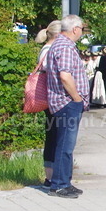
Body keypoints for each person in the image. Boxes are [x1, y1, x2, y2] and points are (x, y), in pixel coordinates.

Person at [44, 15, 89, 198]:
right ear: (75, 29)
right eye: (81, 29)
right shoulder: (65, 47)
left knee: (64, 145)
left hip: (63, 102)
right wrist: (77, 98)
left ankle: (64, 182)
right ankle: (59, 185)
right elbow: (65, 76)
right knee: (65, 146)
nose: (82, 32)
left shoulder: (60, 44)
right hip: (67, 102)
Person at [35, 21, 62, 188]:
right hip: (51, 98)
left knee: (54, 135)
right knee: (54, 136)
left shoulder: (47, 49)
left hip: (50, 98)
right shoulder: (48, 50)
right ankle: (50, 176)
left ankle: (52, 175)